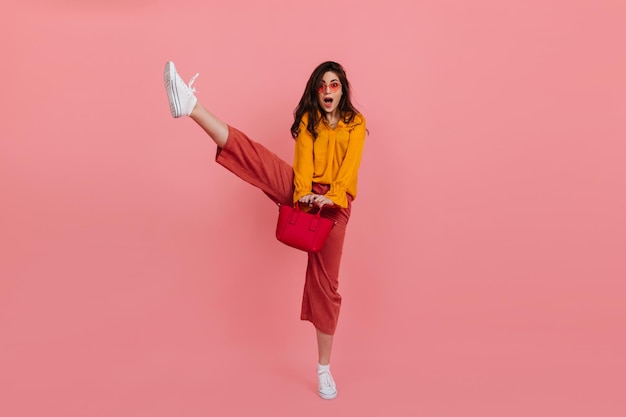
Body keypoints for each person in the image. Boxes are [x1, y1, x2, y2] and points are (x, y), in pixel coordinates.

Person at [163, 60, 366, 400]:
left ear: (342, 89)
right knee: (256, 157)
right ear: (315, 92)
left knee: (326, 288)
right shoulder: (308, 121)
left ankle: (323, 370)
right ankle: (191, 106)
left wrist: (326, 200)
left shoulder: (355, 123)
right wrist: (300, 198)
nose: (328, 91)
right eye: (322, 86)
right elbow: (301, 164)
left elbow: (348, 171)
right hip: (304, 191)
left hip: (336, 206)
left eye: (334, 85)